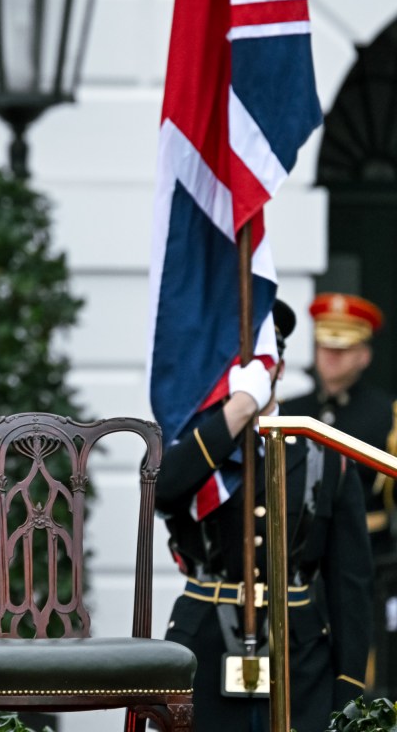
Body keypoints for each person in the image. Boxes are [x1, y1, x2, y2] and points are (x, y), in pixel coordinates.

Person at [156, 300, 373, 732]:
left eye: (263, 359)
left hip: (300, 657)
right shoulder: (195, 441)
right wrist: (236, 412)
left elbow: (350, 582)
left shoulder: (322, 452)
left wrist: (348, 687)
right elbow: (161, 494)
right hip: (204, 647)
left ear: (280, 365)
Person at [281, 292, 397, 695]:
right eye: (325, 347)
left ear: (364, 355)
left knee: (367, 678)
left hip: (370, 563)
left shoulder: (388, 415)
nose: (331, 357)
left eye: (343, 349)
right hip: (299, 565)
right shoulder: (287, 412)